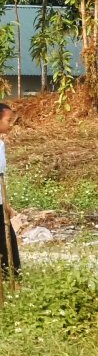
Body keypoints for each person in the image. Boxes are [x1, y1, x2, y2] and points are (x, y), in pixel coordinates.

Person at [0, 103, 20, 281]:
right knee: (7, 244)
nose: (11, 124)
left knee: (8, 242)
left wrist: (6, 205)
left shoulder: (0, 143)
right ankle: (12, 279)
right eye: (8, 120)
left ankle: (12, 279)